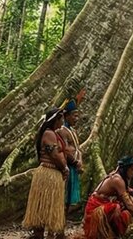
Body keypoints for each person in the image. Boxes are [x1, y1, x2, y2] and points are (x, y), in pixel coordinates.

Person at [23, 107, 69, 239]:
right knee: (42, 208)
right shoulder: (49, 133)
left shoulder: (52, 133)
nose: (63, 121)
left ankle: (43, 235)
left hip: (51, 175)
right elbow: (54, 155)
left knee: (46, 208)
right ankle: (38, 235)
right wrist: (64, 168)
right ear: (56, 120)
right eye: (61, 118)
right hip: (48, 174)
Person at [83, 155, 133, 239]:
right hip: (95, 209)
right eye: (132, 169)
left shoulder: (119, 178)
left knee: (125, 210)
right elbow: (128, 204)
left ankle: (113, 234)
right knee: (117, 207)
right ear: (126, 169)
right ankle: (105, 233)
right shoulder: (117, 180)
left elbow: (126, 195)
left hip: (103, 204)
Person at [57, 99, 84, 211]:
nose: (76, 119)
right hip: (68, 166)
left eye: (77, 116)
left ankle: (64, 218)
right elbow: (65, 149)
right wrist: (75, 162)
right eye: (74, 116)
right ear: (66, 116)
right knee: (65, 194)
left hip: (74, 166)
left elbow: (77, 148)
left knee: (70, 199)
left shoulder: (72, 130)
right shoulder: (62, 130)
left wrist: (80, 162)